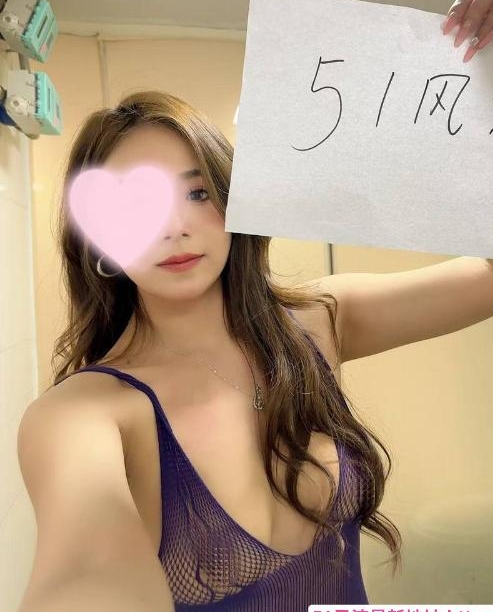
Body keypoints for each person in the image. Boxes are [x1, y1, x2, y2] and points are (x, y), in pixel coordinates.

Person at [41, 90, 400, 610]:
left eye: (197, 193)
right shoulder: (85, 414)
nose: (174, 227)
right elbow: (82, 576)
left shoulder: (320, 320)